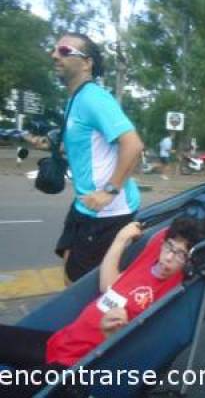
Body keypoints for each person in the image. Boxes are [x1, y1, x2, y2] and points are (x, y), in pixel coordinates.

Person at [0, 216, 205, 397]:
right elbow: (108, 285)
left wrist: (110, 333)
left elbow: (134, 347)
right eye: (169, 247)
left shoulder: (172, 290)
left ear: (189, 261)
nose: (168, 258)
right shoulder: (151, 259)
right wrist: (120, 239)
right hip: (61, 342)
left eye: (180, 254)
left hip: (74, 368)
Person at [24, 32, 144, 284]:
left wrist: (109, 191)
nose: (54, 55)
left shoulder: (94, 98)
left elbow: (133, 145)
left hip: (106, 212)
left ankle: (106, 322)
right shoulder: (75, 100)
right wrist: (47, 146)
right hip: (84, 206)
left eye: (64, 51)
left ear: (86, 62)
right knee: (71, 274)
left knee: (85, 287)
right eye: (55, 49)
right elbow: (83, 149)